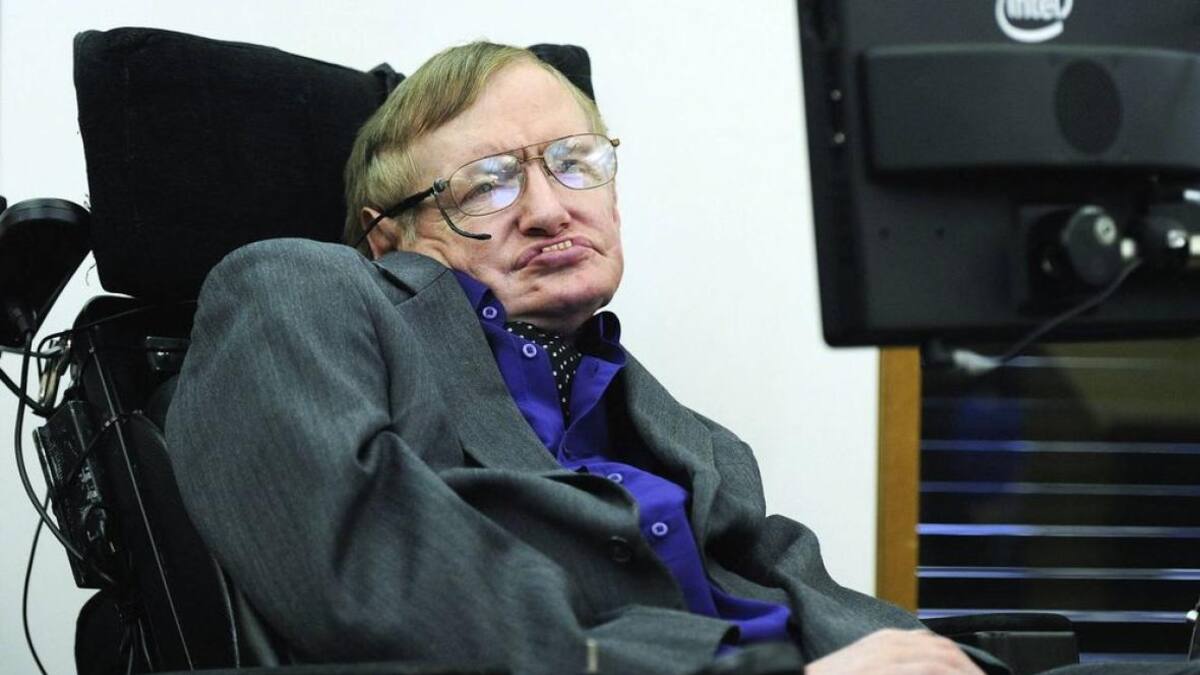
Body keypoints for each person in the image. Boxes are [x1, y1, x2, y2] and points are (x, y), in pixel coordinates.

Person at [168, 41, 1179, 675]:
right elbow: (372, 576)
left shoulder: (677, 429)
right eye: (487, 183)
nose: (551, 207)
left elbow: (798, 584)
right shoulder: (300, 288)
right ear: (387, 233)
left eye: (576, 162)